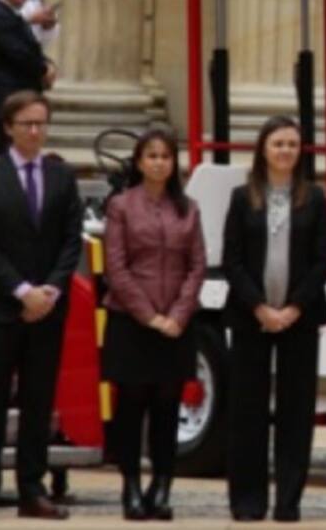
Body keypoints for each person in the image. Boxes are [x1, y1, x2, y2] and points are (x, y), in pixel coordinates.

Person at [223, 116, 326, 522]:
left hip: (298, 318)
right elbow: (231, 260)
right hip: (252, 316)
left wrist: (292, 308)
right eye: (278, 144)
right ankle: (247, 502)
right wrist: (260, 308)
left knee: (296, 411)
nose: (286, 151)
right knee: (246, 411)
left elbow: (324, 259)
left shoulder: (315, 197)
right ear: (263, 150)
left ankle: (288, 502)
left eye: (292, 144)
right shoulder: (241, 197)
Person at [101, 128, 206, 521]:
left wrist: (177, 315)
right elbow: (116, 267)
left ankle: (162, 487)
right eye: (151, 156)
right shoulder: (122, 206)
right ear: (139, 162)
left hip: (176, 324)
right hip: (132, 321)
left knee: (167, 408)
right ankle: (129, 486)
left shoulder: (189, 208)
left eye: (166, 156)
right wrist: (149, 316)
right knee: (131, 407)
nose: (159, 162)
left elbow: (197, 266)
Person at [0, 91, 82, 519]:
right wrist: (19, 290)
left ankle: (32, 489)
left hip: (46, 310)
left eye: (41, 123)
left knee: (38, 401)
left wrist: (49, 290)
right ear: (9, 127)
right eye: (26, 123)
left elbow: (71, 239)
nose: (34, 130)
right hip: (2, 308)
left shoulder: (61, 176)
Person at [0, 0, 55, 152]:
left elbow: (31, 50)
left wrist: (47, 63)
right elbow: (18, 53)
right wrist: (44, 69)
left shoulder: (12, 14)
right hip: (7, 99)